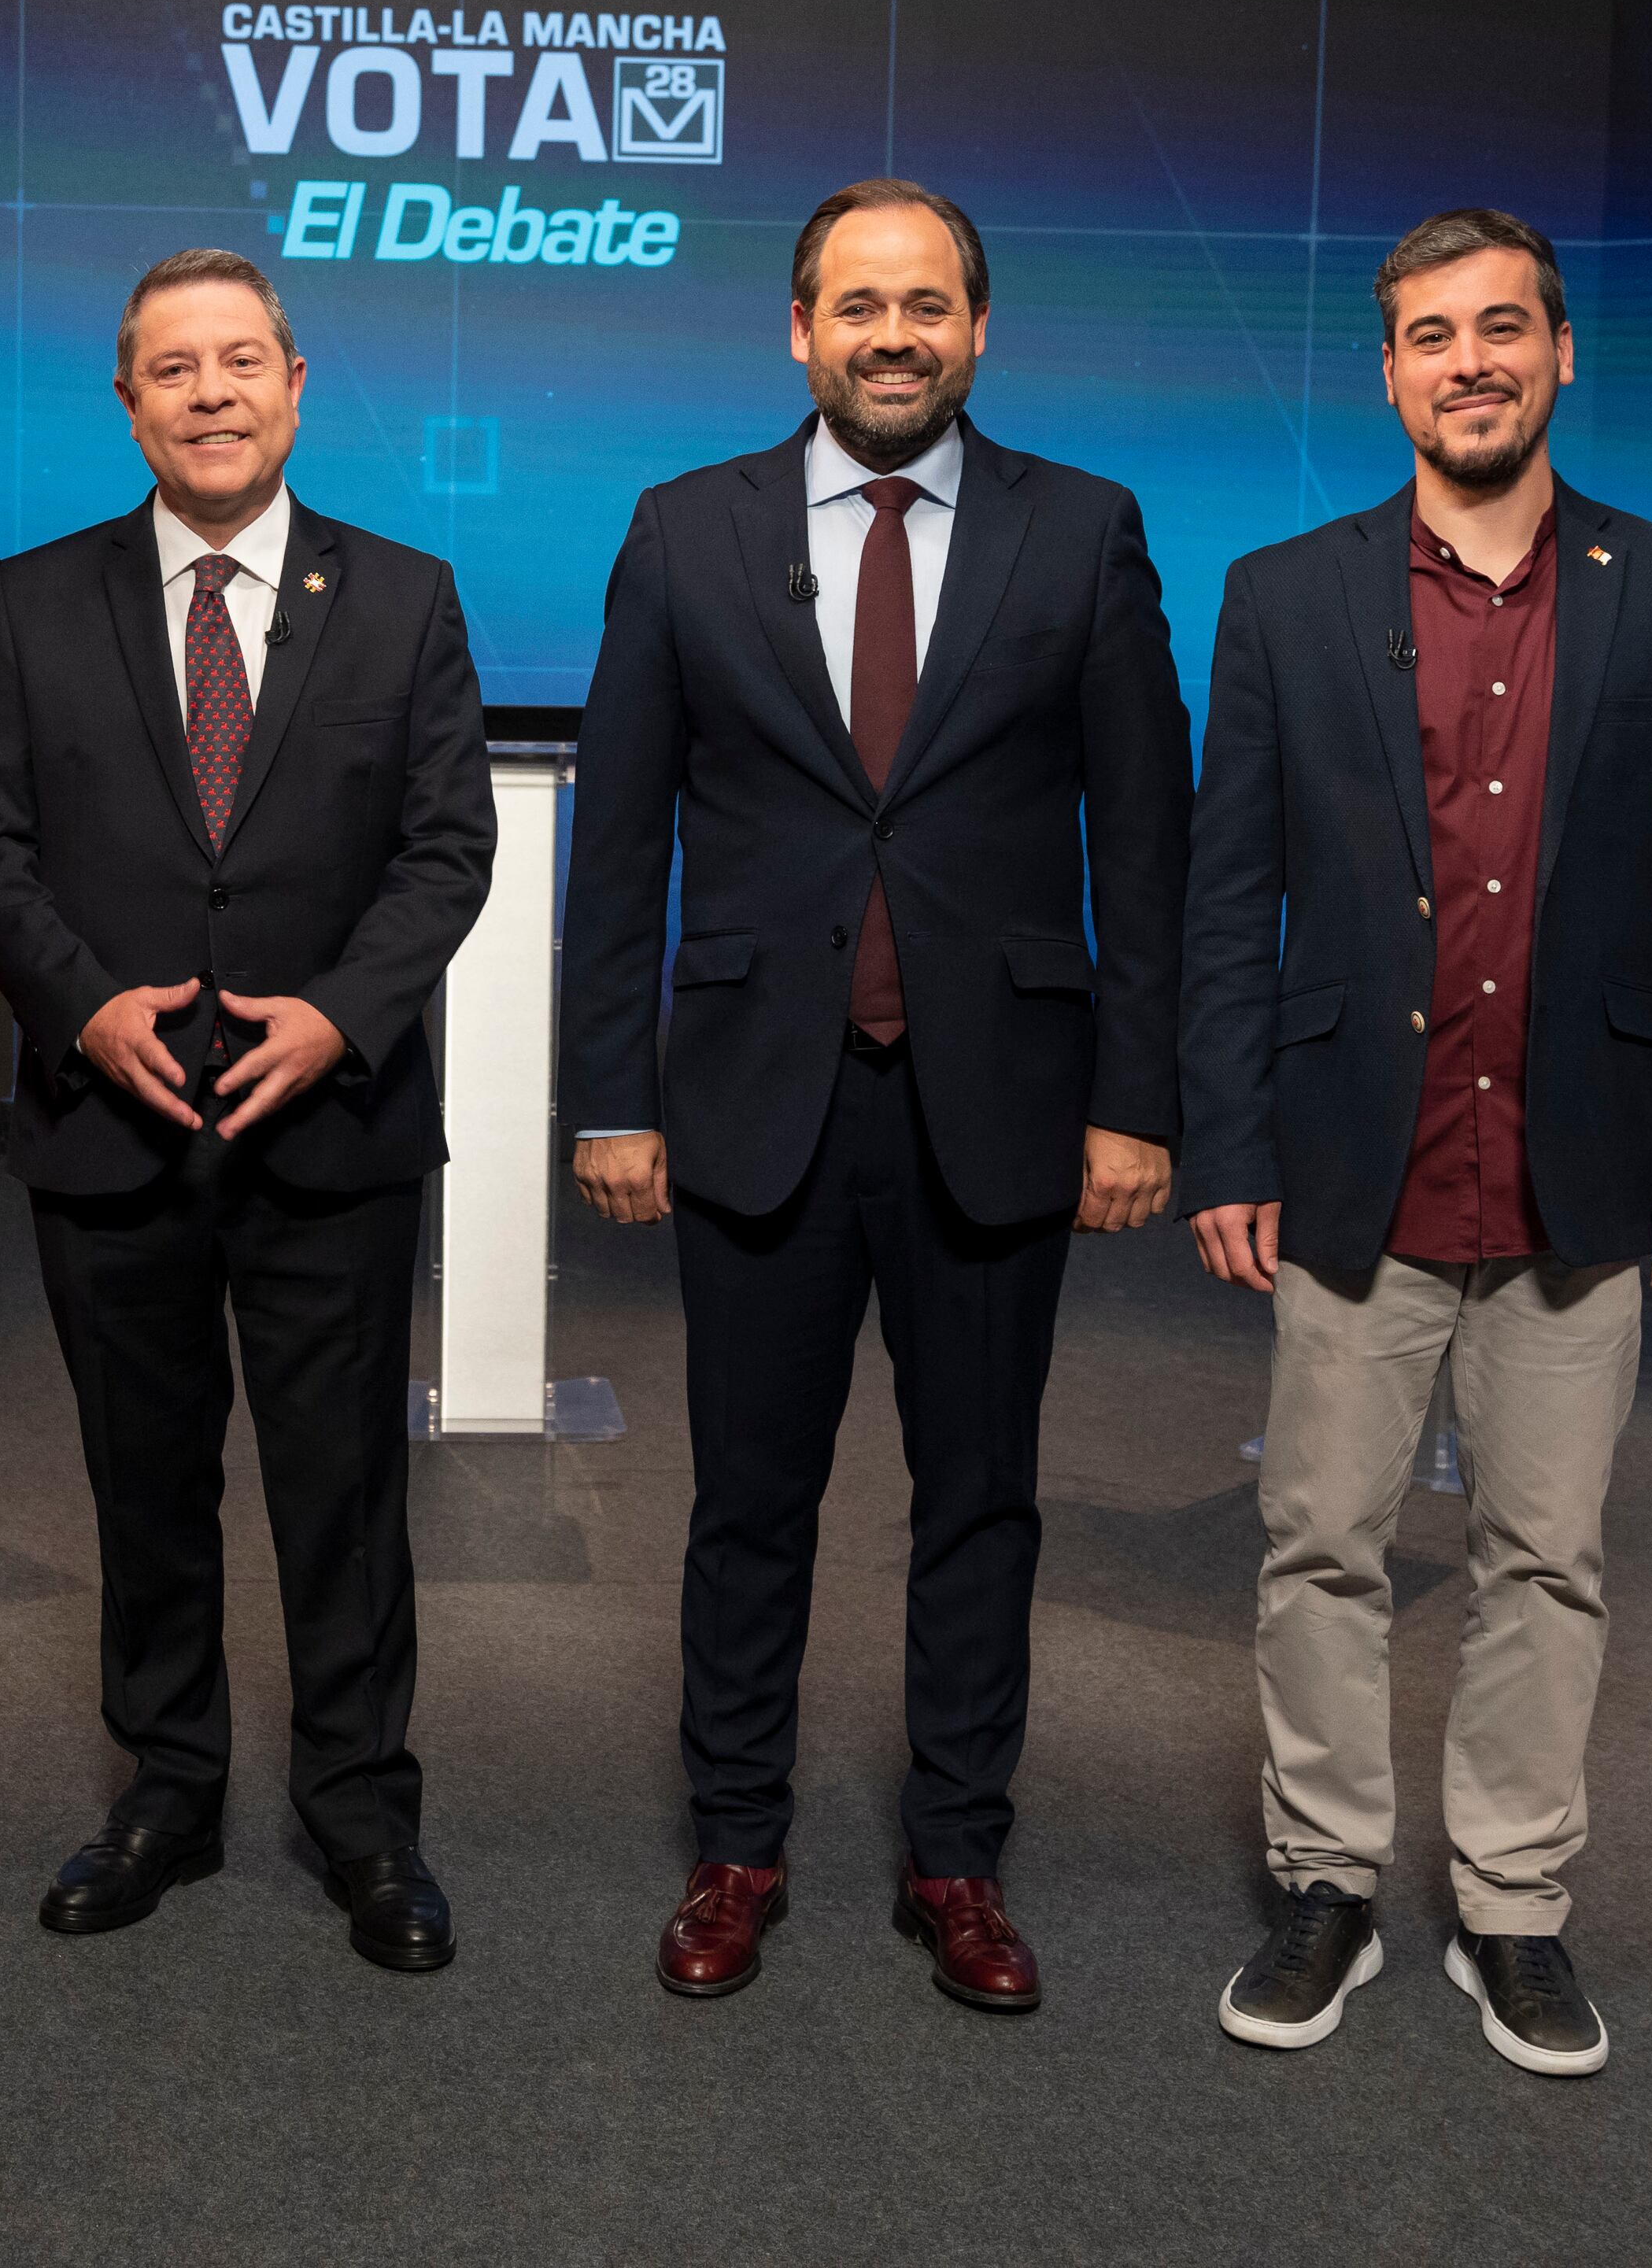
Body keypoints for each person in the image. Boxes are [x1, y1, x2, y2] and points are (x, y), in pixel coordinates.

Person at [562, 179, 1193, 2012]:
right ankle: (736, 1844)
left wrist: (1137, 1101)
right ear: (798, 328)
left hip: (1001, 1099)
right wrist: (611, 1089)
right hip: (758, 1096)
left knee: (981, 1500)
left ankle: (957, 1860)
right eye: (858, 304)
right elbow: (618, 843)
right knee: (745, 1501)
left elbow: (1139, 845)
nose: (891, 334)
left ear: (978, 330)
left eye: (926, 304)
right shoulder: (686, 531)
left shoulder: (1083, 533)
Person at [1184, 207, 1652, 2078]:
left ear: (1561, 350)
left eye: (1500, 327)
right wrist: (1226, 1142)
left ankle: (1512, 1905)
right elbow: (1228, 900)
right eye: (1430, 335)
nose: (1468, 362)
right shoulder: (1285, 593)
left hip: (1579, 1166)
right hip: (1355, 1155)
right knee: (1321, 1545)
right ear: (1388, 373)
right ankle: (1329, 1883)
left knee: (1548, 1553)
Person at [0, 249, 493, 1974]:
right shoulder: (31, 603)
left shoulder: (402, 595)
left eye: (239, 360)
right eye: (170, 368)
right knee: (144, 1481)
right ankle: (167, 1785)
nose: (210, 392)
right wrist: (83, 1008)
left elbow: (443, 845)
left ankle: (362, 1812)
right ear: (127, 403)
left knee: (340, 1492)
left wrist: (339, 1017)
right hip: (114, 1123)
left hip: (330, 1128)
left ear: (297, 381)